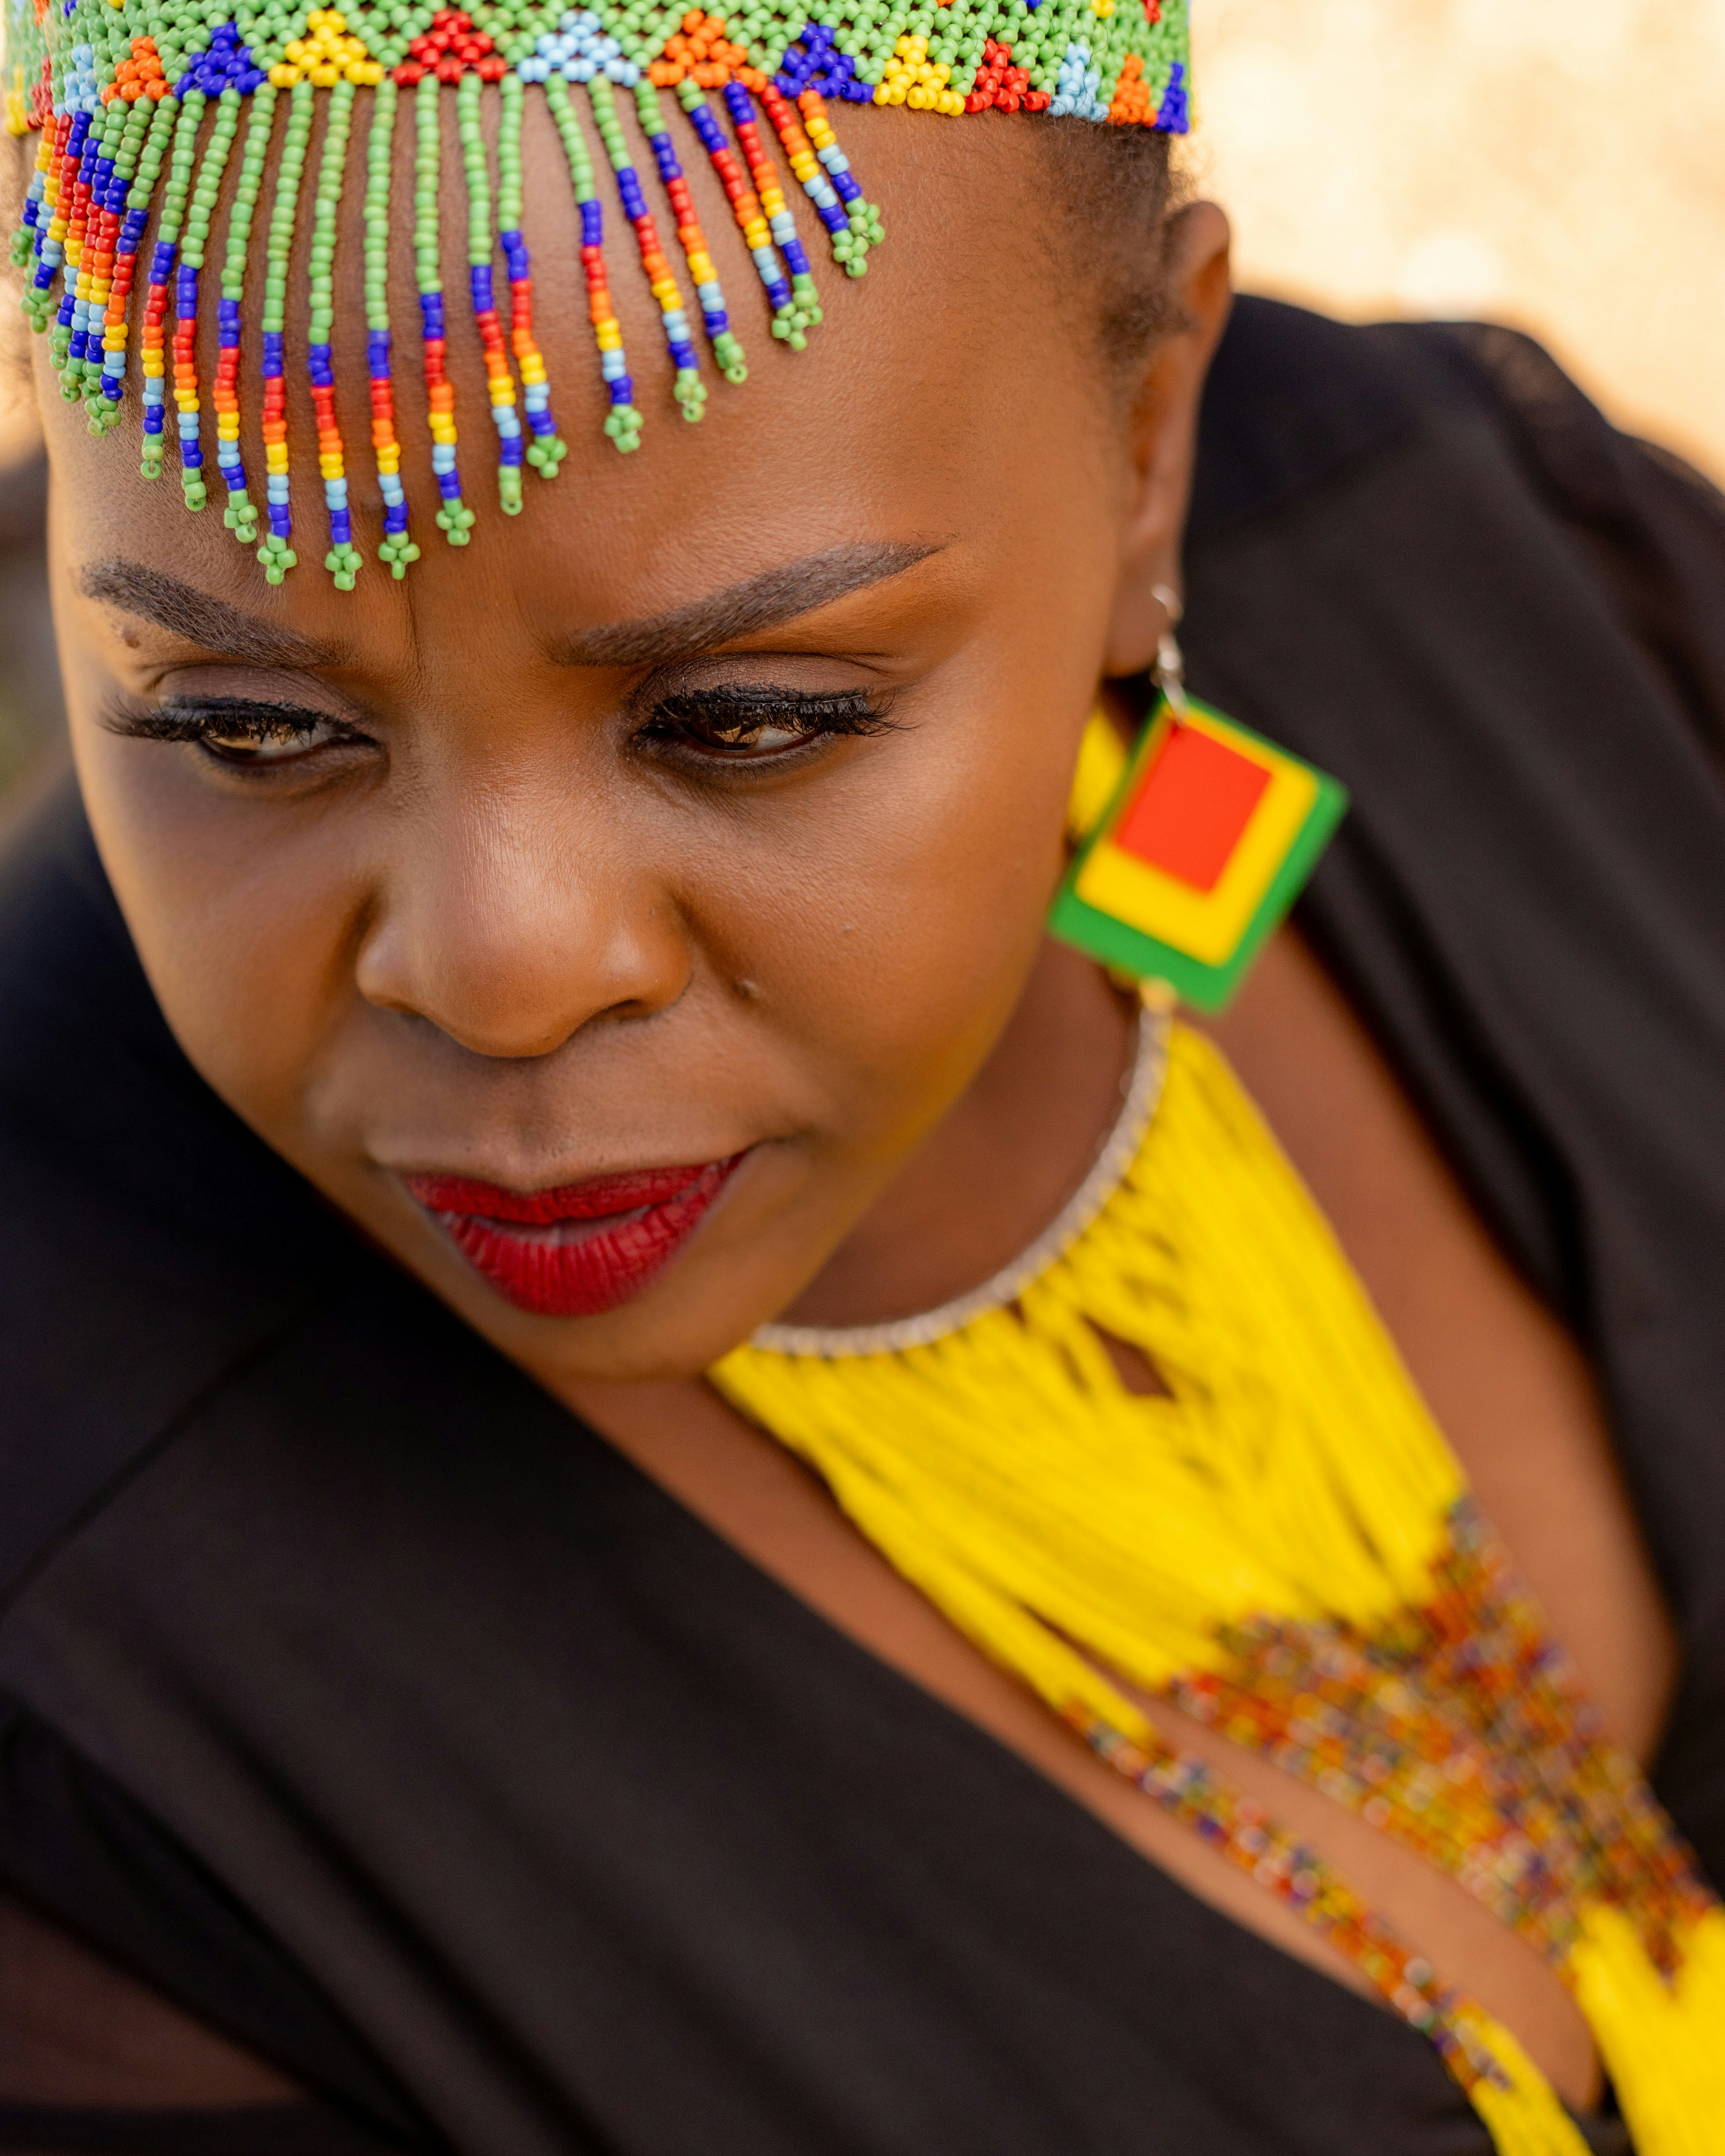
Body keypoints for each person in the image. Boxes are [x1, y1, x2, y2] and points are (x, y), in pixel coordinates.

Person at [1, 0, 1724, 2147]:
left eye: (748, 715)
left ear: (1147, 446)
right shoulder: (89, 1716)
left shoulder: (1495, 573)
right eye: (246, 729)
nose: (504, 974)